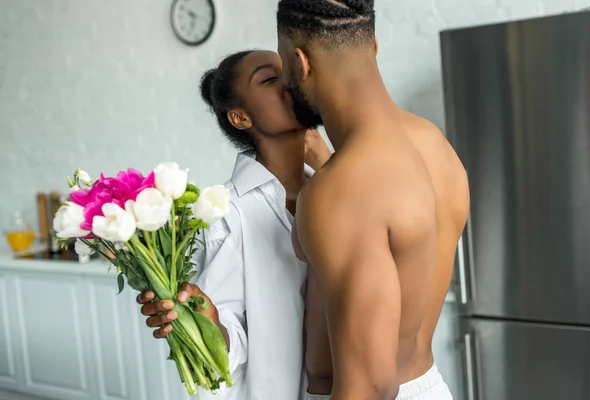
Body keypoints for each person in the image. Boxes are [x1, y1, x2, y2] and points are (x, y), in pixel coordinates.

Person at [276, 1, 470, 399]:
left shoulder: (342, 191)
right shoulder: (434, 145)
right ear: (373, 46)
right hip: (427, 383)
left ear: (300, 63)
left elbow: (370, 386)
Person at [136, 50, 332, 399]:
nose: (289, 82)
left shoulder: (330, 193)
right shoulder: (226, 214)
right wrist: (209, 324)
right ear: (240, 117)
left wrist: (326, 159)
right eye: (270, 80)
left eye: (288, 72)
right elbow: (225, 346)